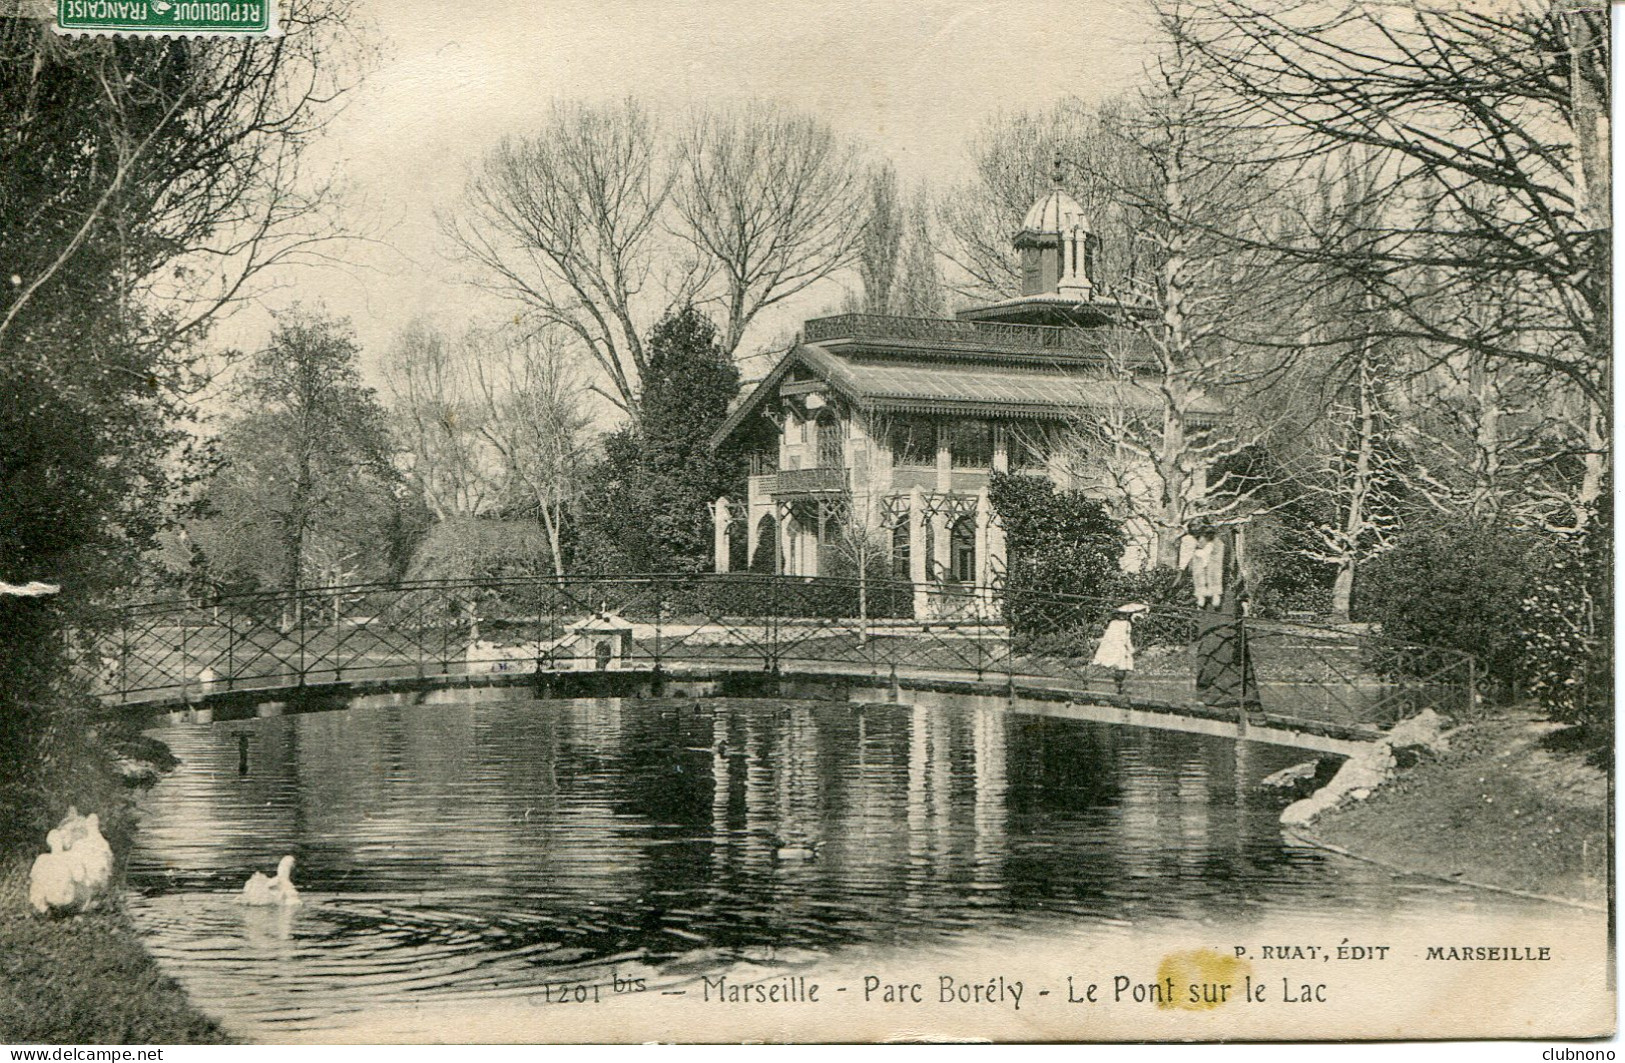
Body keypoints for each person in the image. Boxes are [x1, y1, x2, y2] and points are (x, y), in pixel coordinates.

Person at [1092, 602, 1149, 695]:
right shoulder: (1125, 624)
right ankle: (1119, 687)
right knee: (1122, 665)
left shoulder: (1113, 623)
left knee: (1118, 666)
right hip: (1119, 647)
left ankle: (1117, 687)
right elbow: (1125, 638)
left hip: (1112, 646)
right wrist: (1131, 649)